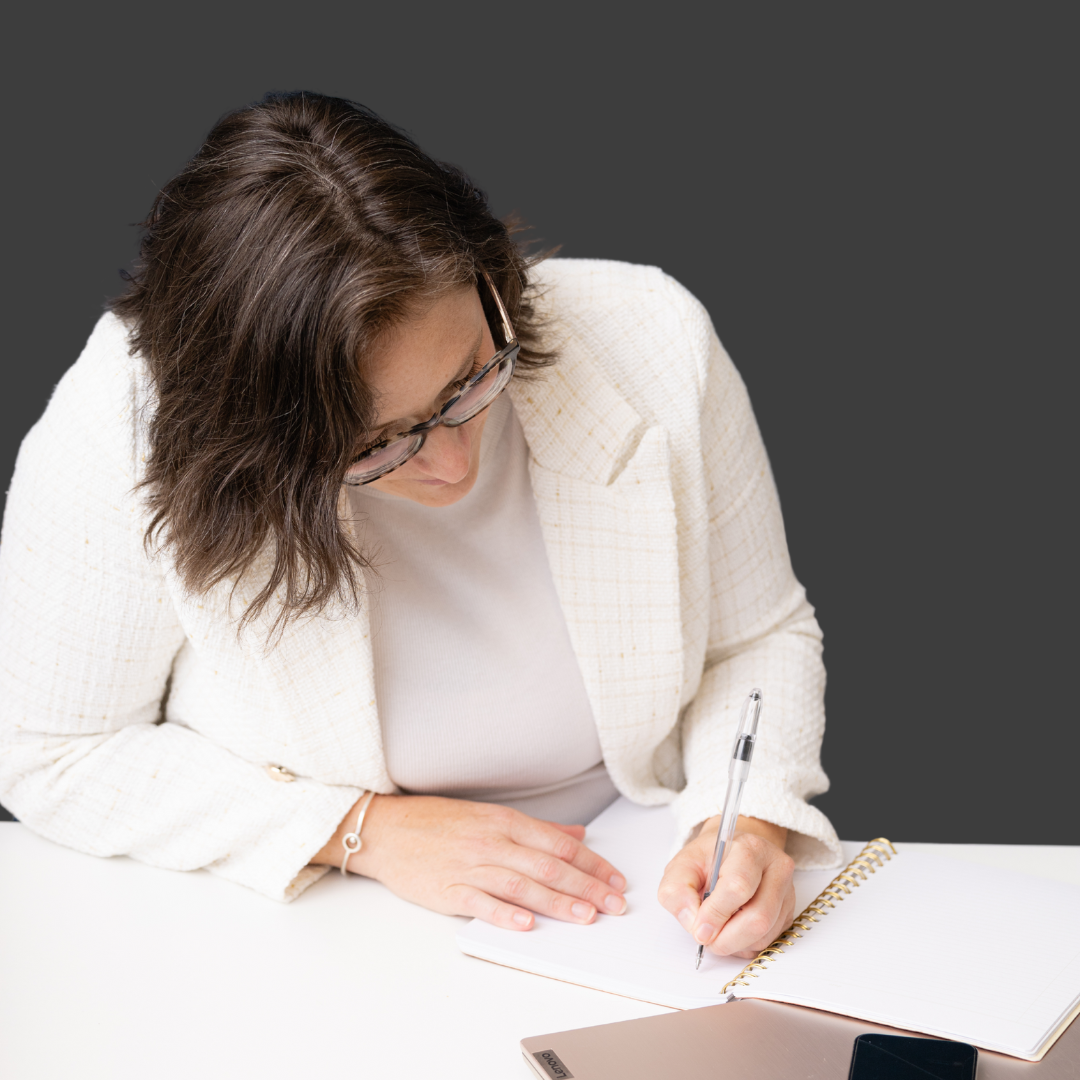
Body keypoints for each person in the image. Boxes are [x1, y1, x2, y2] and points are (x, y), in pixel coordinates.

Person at [0, 91, 841, 962]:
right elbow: (50, 753)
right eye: (377, 445)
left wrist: (744, 822)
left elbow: (757, 638)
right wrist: (361, 833)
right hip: (314, 925)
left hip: (636, 892)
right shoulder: (124, 425)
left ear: (491, 280)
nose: (451, 465)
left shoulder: (650, 337)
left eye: (470, 382)